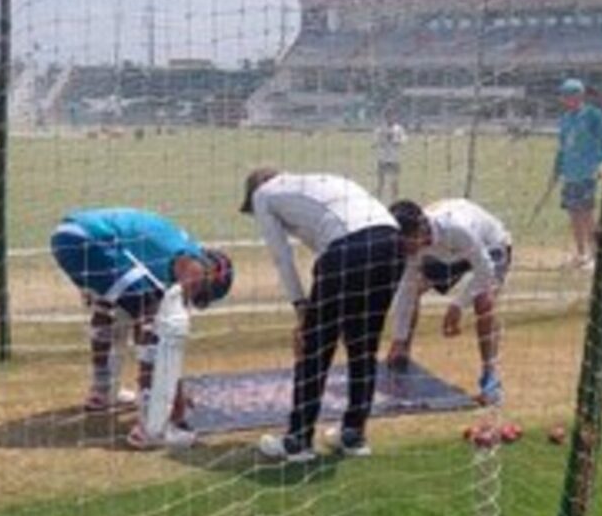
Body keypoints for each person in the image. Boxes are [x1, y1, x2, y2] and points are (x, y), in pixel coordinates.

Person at [240, 169, 408, 461]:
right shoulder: (316, 182)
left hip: (349, 249)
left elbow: (282, 257)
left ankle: (297, 442)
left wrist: (301, 308)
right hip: (393, 244)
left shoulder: (263, 195)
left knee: (315, 350)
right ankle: (353, 436)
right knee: (363, 348)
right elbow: (326, 243)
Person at [50, 208, 234, 449]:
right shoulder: (194, 264)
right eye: (201, 291)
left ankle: (102, 391)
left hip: (69, 233)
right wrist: (174, 397)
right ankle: (150, 426)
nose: (195, 295)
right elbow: (165, 330)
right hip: (90, 240)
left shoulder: (175, 253)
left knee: (111, 305)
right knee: (153, 313)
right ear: (211, 273)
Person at [384, 199, 512, 406]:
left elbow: (485, 270)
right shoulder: (411, 245)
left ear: (420, 230)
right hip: (448, 255)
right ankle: (402, 353)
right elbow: (406, 289)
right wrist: (398, 338)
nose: (403, 249)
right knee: (414, 287)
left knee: (484, 301)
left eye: (405, 243)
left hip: (490, 247)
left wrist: (457, 306)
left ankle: (490, 377)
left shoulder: (457, 228)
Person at [545, 78, 602, 270]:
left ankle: (596, 254)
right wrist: (556, 171)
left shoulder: (593, 115)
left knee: (587, 213)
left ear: (580, 96)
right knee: (573, 214)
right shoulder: (565, 119)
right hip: (570, 174)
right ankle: (581, 253)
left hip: (587, 172)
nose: (565, 100)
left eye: (569, 96)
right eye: (563, 96)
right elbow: (562, 148)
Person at [373, 110, 407, 202]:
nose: (390, 118)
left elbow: (404, 140)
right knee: (381, 181)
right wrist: (383, 140)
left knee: (395, 182)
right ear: (385, 117)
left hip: (394, 159)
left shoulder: (399, 129)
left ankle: (394, 200)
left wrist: (396, 141)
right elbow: (375, 142)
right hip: (383, 158)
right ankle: (378, 200)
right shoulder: (380, 129)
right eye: (388, 116)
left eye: (392, 116)